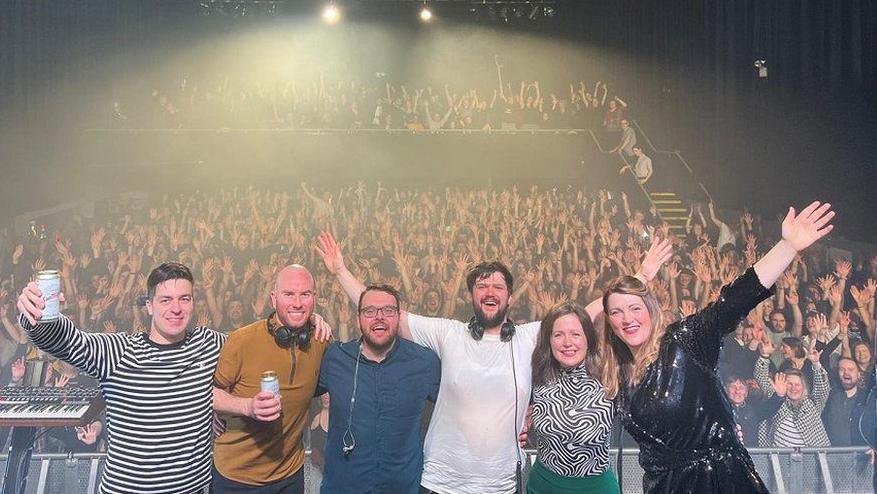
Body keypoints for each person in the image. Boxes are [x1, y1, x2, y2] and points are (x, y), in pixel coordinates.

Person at [316, 231, 672, 494]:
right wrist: (340, 272)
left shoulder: (530, 337)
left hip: (501, 484)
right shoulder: (448, 334)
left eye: (497, 286)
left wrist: (644, 274)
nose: (489, 291)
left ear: (509, 297)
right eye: (482, 286)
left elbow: (588, 313)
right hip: (440, 481)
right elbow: (384, 312)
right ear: (471, 295)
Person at [600, 200, 835, 493]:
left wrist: (787, 247)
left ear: (651, 310)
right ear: (607, 321)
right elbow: (572, 324)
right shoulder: (617, 374)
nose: (627, 319)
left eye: (634, 308)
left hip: (719, 482)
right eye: (616, 312)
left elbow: (732, 301)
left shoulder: (683, 341)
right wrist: (641, 276)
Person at [16, 262, 226, 494]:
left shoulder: (208, 344)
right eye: (165, 300)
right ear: (149, 306)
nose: (176, 308)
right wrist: (35, 312)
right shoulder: (119, 351)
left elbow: (251, 357)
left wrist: (227, 410)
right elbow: (66, 341)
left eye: (184, 299)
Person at [212, 264, 332, 494]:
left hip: (290, 475)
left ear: (314, 298)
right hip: (237, 477)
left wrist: (318, 320)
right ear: (273, 299)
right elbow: (211, 394)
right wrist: (246, 406)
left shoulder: (320, 340)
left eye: (305, 294)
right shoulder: (241, 340)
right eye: (288, 294)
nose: (297, 303)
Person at [316, 284, 440, 493]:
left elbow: (459, 404)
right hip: (343, 487)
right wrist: (309, 323)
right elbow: (293, 390)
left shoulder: (424, 362)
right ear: (358, 320)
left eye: (388, 311)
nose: (379, 317)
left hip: (401, 488)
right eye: (370, 311)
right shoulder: (335, 358)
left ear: (399, 318)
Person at [527, 302, 618, 494]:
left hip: (596, 489)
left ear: (588, 339)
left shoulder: (609, 378)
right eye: (558, 335)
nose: (567, 342)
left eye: (576, 334)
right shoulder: (537, 378)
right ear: (549, 340)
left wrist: (641, 277)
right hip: (543, 487)